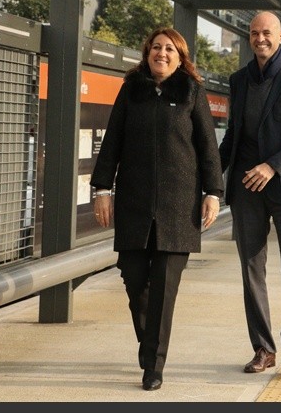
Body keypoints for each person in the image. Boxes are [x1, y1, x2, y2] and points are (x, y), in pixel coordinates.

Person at [90, 27, 224, 391]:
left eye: (169, 49)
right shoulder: (131, 89)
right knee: (134, 279)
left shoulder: (192, 92)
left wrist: (213, 192)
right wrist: (102, 189)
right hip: (134, 204)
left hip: (178, 207)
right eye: (156, 47)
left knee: (164, 289)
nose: (161, 53)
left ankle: (153, 365)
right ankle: (150, 344)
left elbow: (208, 147)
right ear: (147, 52)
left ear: (180, 58)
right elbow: (112, 140)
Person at [218, 11, 281, 375]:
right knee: (251, 270)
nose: (260, 38)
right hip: (247, 188)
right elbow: (233, 134)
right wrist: (210, 177)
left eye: (267, 33)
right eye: (254, 33)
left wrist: (273, 166)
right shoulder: (239, 80)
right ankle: (263, 349)